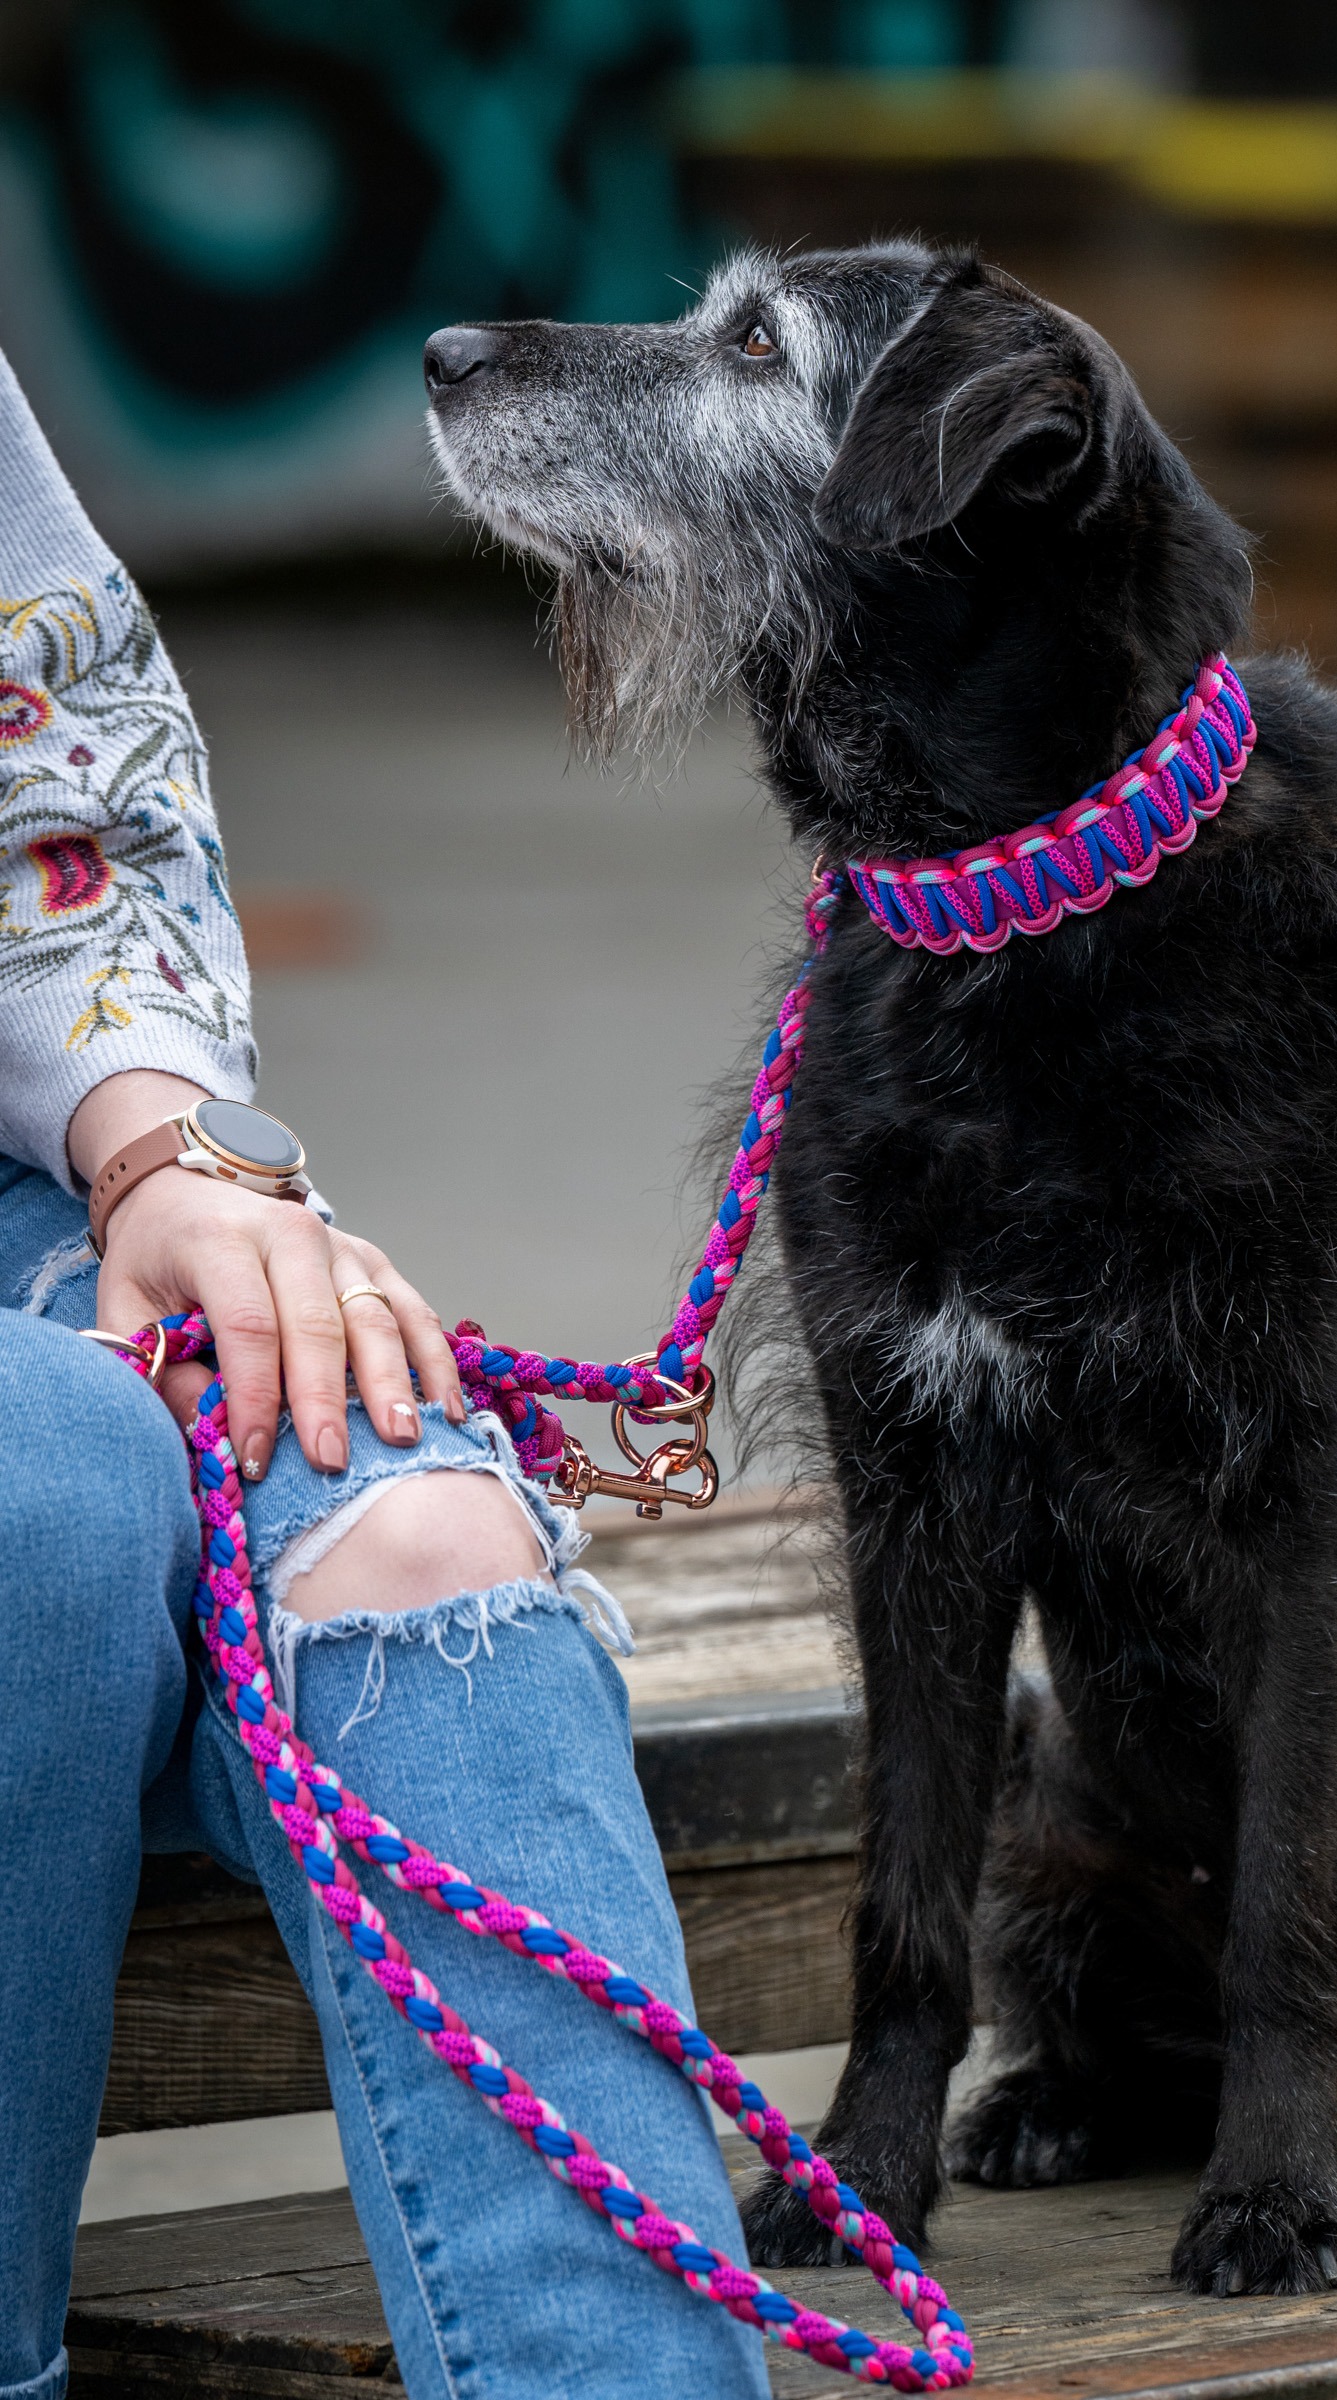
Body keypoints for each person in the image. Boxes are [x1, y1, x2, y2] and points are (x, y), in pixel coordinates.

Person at [0, 350, 766, 2400]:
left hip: (31, 1182)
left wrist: (155, 1135)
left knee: (410, 1518)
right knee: (48, 1487)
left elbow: (45, 735)